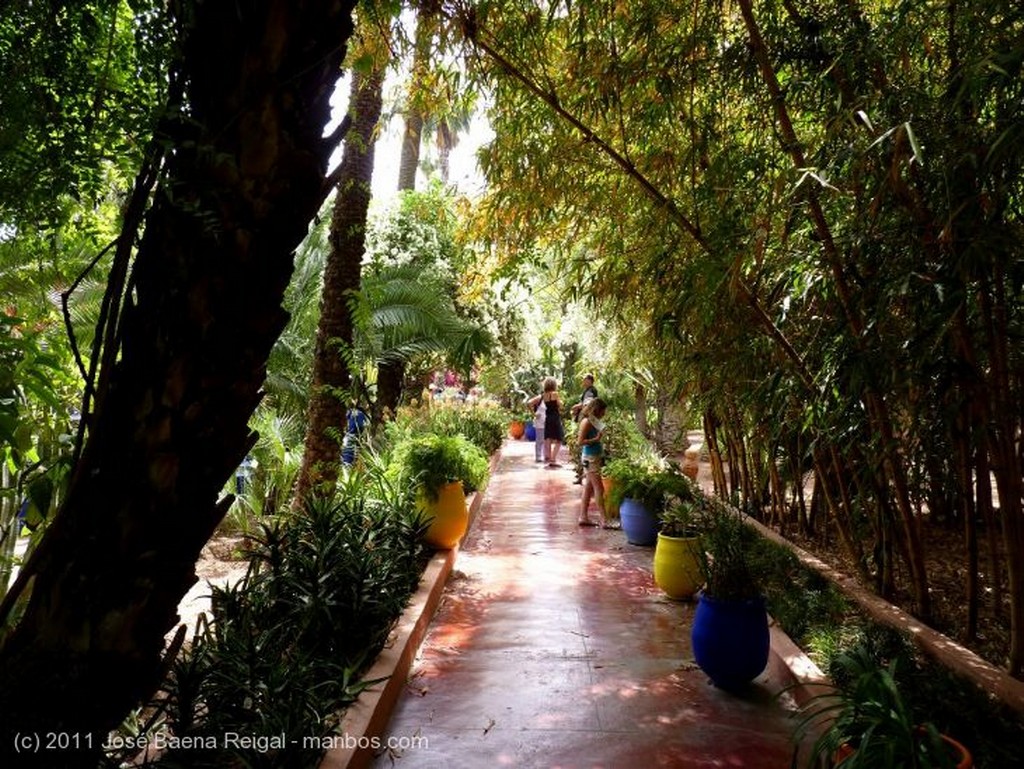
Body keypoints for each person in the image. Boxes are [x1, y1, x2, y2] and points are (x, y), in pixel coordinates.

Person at [577, 398, 613, 528]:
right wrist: (596, 439)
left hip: (595, 456)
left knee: (589, 487)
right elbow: (580, 442)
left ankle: (583, 516)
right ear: (597, 409)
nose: (604, 413)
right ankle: (604, 519)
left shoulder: (594, 421)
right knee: (599, 488)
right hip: (590, 458)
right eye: (603, 411)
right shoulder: (586, 422)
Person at [539, 376, 564, 466]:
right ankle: (553, 458)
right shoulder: (555, 394)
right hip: (555, 417)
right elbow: (560, 405)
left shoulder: (544, 395)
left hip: (548, 417)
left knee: (548, 437)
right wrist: (561, 403)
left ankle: (548, 456)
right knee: (559, 438)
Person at [527, 389, 546, 463]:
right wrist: (534, 414)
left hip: (548, 422)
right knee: (539, 439)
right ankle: (538, 456)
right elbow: (529, 403)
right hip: (540, 421)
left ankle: (545, 455)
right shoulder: (540, 397)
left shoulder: (551, 397)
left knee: (546, 440)